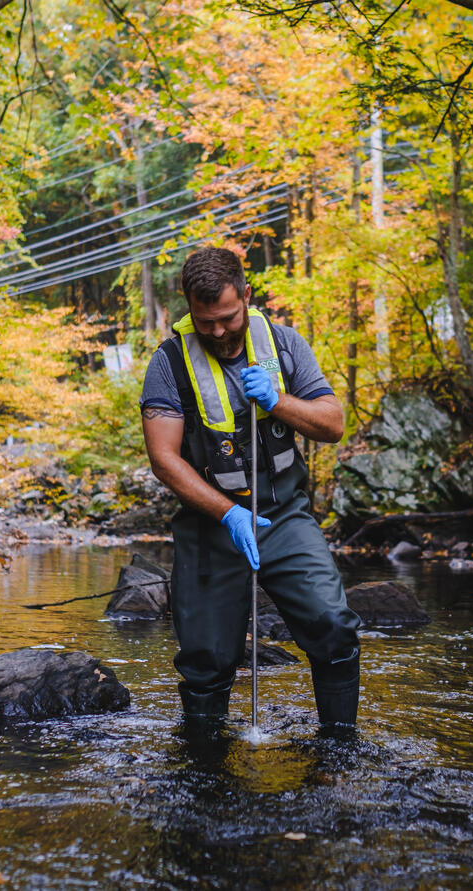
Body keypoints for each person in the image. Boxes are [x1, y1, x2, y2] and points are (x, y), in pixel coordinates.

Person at [139, 246, 361, 729]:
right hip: (210, 522)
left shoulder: (284, 345)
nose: (217, 331)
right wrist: (228, 514)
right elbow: (164, 459)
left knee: (333, 627)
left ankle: (341, 755)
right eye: (205, 322)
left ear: (246, 295)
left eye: (227, 318)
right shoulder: (169, 364)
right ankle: (205, 779)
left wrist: (278, 400)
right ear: (188, 307)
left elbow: (332, 423)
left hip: (283, 512)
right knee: (207, 660)